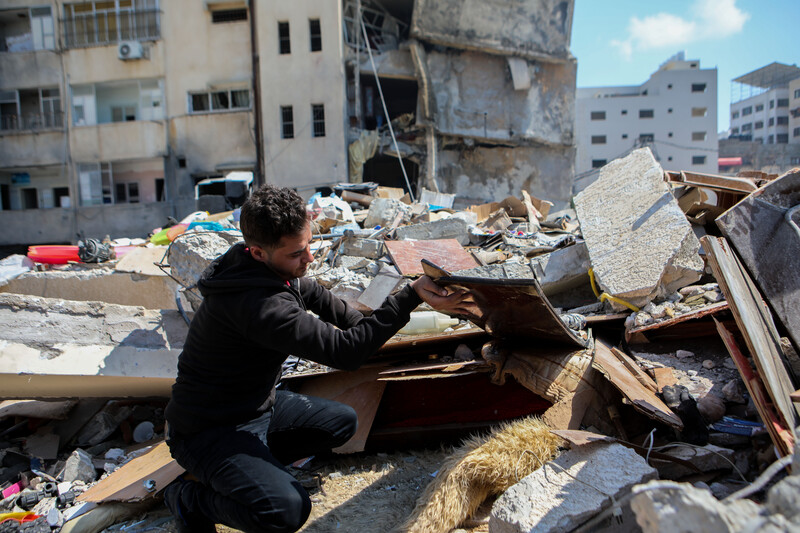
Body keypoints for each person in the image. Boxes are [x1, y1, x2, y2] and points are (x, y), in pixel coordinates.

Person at [163, 184, 468, 532]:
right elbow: (346, 352)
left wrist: (416, 295)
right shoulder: (259, 306)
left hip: (255, 409)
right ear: (259, 252)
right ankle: (187, 498)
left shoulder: (273, 272)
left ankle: (256, 472)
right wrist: (409, 297)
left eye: (309, 245)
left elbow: (351, 321)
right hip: (206, 430)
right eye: (296, 254)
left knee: (342, 422)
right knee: (286, 511)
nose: (308, 258)